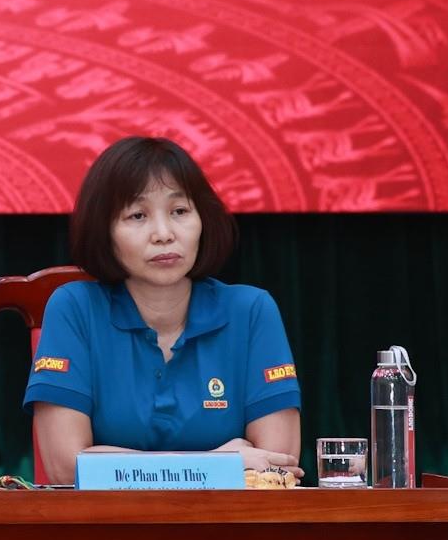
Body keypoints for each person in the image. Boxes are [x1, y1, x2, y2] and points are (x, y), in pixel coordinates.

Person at [25, 136, 301, 485]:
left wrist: (110, 464)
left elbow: (276, 468)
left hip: (225, 521)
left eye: (179, 211)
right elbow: (66, 467)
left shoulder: (251, 311)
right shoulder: (74, 308)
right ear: (104, 231)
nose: (163, 234)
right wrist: (217, 463)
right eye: (137, 215)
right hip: (105, 520)